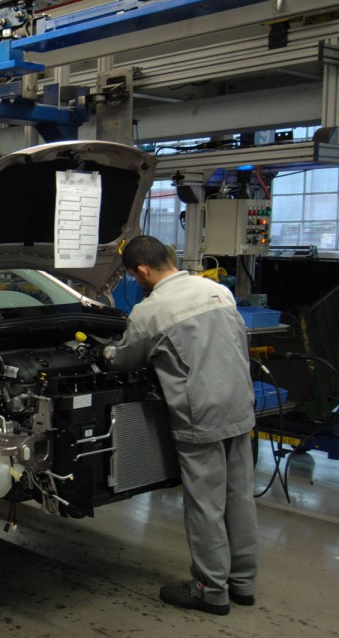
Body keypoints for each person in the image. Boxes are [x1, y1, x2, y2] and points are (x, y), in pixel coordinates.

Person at [103, 235, 258, 616]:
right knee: (238, 496)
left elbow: (123, 359)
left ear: (142, 271)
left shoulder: (150, 311)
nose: (137, 284)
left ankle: (210, 590)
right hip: (239, 402)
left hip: (200, 413)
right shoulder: (217, 290)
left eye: (135, 277)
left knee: (205, 503)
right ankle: (242, 583)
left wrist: (102, 350)